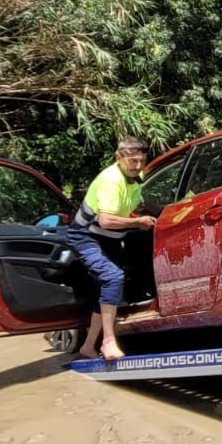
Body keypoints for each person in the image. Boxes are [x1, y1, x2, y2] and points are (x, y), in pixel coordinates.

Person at [69, 136, 156, 360]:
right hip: (86, 236)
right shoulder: (111, 180)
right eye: (132, 161)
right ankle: (108, 342)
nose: (137, 166)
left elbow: (136, 204)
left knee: (108, 289)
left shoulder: (136, 175)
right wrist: (139, 222)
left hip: (109, 239)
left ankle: (88, 346)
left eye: (141, 161)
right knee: (113, 278)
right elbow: (107, 220)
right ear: (119, 158)